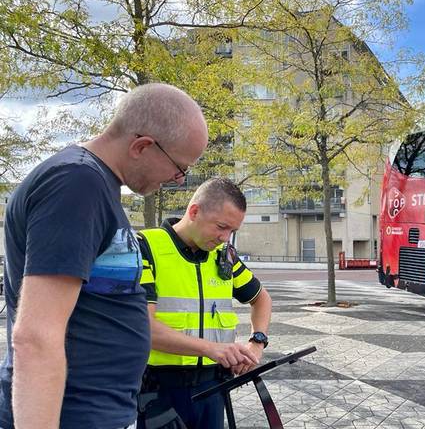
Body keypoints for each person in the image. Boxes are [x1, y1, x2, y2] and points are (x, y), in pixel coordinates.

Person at [0, 83, 209, 429]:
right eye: (179, 169)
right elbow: (35, 337)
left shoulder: (96, 185)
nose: (178, 180)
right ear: (142, 146)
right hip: (72, 415)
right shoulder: (76, 183)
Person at [137, 178, 272, 429]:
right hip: (160, 390)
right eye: (221, 227)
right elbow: (143, 327)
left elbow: (261, 299)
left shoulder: (224, 257)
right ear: (194, 211)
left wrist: (257, 343)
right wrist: (211, 348)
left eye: (232, 231)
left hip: (214, 388)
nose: (225, 238)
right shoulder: (146, 247)